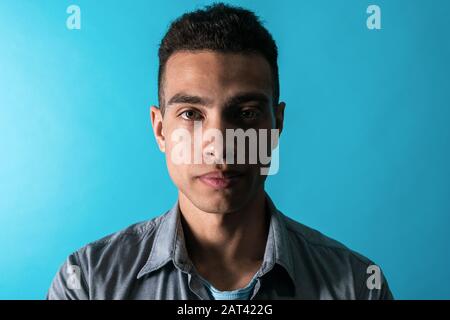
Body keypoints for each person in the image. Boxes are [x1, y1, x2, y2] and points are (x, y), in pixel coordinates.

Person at [47, 2, 393, 300]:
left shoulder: (357, 286)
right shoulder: (88, 283)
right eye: (191, 114)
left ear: (277, 125)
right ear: (160, 129)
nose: (220, 148)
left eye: (245, 114)